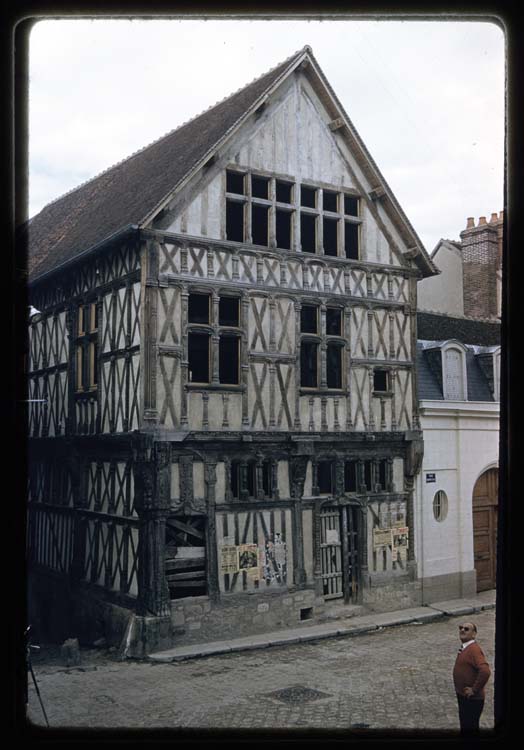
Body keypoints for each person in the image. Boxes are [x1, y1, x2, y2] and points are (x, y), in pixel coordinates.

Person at [452, 622, 491, 733]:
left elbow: (485, 671)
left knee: (470, 729)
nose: (462, 630)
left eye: (467, 629)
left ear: (474, 634)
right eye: (461, 628)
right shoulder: (465, 648)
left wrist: (474, 690)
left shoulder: (474, 649)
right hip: (464, 697)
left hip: (472, 699)